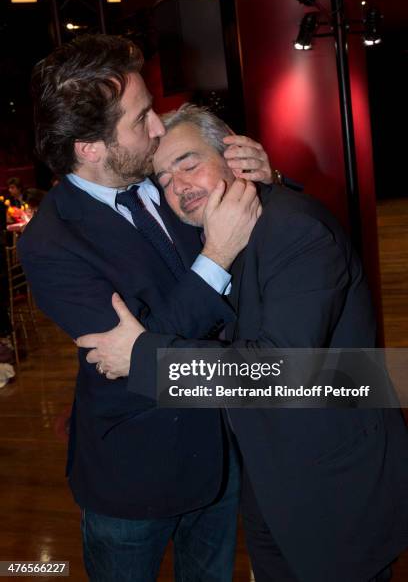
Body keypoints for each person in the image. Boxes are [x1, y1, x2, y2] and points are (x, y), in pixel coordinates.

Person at [78, 104, 408, 582]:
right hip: (272, 481)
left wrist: (142, 358)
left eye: (188, 163)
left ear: (235, 154)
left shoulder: (296, 231)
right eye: (164, 179)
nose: (178, 186)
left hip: (334, 490)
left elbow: (278, 372)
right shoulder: (219, 230)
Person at [17, 34, 276, 582]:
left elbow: (150, 342)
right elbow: (145, 361)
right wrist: (218, 253)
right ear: (89, 146)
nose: (159, 127)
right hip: (132, 471)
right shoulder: (49, 242)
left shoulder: (159, 176)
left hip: (218, 447)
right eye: (140, 120)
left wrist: (262, 180)